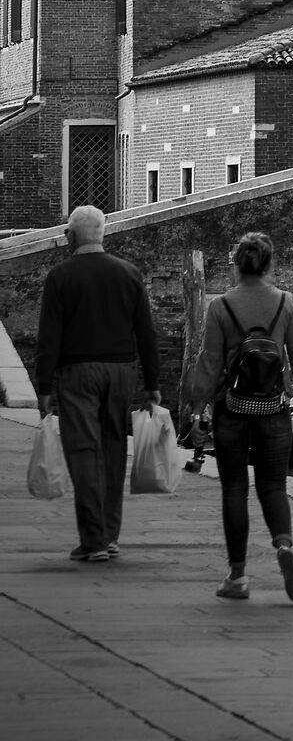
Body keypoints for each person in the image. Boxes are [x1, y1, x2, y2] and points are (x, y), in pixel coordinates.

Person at [190, 230, 293, 603]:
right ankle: (284, 544)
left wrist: (196, 410)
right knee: (273, 487)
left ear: (236, 266)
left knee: (235, 490)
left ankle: (238, 577)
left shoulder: (220, 306)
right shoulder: (285, 302)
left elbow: (209, 363)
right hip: (274, 409)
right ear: (270, 264)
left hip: (232, 409)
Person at [33, 203, 162, 564]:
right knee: (113, 448)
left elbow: (49, 338)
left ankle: (93, 540)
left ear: (72, 235)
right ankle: (109, 533)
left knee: (84, 451)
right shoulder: (129, 273)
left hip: (78, 373)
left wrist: (44, 388)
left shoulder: (61, 276)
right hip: (121, 371)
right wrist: (152, 382)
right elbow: (146, 332)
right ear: (102, 234)